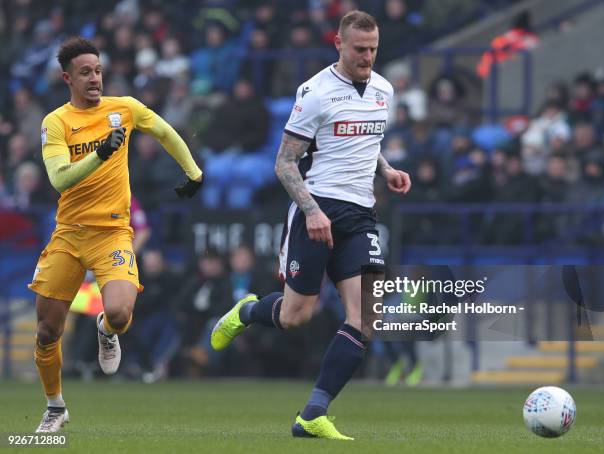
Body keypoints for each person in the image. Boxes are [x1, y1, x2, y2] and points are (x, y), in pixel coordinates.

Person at [211, 11, 410, 440]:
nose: (368, 57)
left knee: (366, 317)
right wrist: (313, 211)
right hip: (317, 209)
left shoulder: (383, 89)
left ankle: (312, 413)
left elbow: (363, 141)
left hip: (361, 215)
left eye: (373, 49)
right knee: (296, 315)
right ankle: (245, 312)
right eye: (359, 49)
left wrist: (388, 169)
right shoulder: (315, 93)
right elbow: (284, 163)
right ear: (338, 43)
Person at [28, 37, 203, 433]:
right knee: (46, 331)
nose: (95, 79)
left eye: (98, 70)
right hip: (70, 235)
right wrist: (101, 154)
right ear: (67, 78)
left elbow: (165, 132)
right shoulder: (55, 123)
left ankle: (106, 331)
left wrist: (193, 172)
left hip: (112, 233)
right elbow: (59, 179)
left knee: (121, 313)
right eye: (85, 72)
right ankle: (55, 406)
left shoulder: (124, 109)